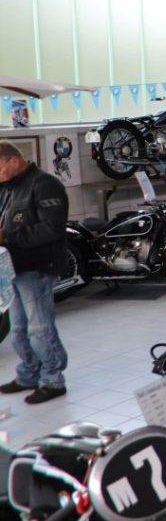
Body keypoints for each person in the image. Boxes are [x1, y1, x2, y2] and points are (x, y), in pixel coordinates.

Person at [0, 141, 70, 404]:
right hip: (14, 268)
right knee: (18, 329)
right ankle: (28, 374)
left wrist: (8, 236)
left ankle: (53, 380)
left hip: (37, 267)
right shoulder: (8, 187)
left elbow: (52, 228)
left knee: (39, 329)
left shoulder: (45, 184)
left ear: (14, 161)